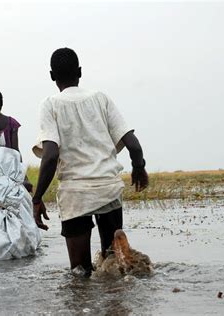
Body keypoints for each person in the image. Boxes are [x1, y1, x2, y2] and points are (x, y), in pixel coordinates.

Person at [32, 47, 149, 276]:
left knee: (79, 273)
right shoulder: (100, 98)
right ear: (80, 72)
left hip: (76, 195)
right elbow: (133, 144)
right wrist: (139, 167)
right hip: (108, 188)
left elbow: (51, 155)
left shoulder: (50, 105)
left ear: (52, 76)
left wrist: (37, 198)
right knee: (114, 266)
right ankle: (117, 298)